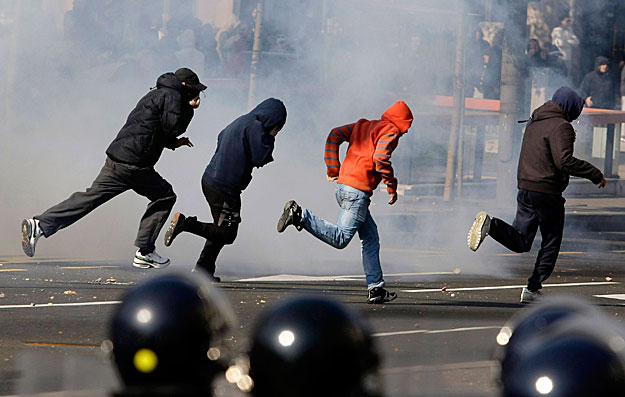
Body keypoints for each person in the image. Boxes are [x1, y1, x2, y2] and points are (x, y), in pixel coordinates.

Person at [21, 68, 207, 269]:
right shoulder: (173, 96)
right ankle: (145, 251)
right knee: (165, 196)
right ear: (185, 86)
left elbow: (153, 128)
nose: (196, 95)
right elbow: (172, 126)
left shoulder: (157, 93)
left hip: (118, 157)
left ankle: (39, 225)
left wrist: (173, 143)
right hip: (135, 163)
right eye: (195, 91)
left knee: (89, 199)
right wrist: (191, 108)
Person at [467, 87, 606, 303]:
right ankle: (532, 289)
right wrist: (595, 174)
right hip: (547, 190)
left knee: (522, 241)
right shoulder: (562, 126)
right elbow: (564, 161)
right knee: (551, 241)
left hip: (526, 187)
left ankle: (491, 225)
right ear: (569, 107)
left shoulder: (535, 121)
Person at [276, 101, 413, 304]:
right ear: (403, 123)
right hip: (357, 192)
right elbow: (381, 157)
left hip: (343, 187)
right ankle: (301, 215)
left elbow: (334, 135)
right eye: (405, 128)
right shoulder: (390, 130)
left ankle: (376, 288)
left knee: (370, 238)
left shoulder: (363, 125)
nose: (403, 133)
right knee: (341, 239)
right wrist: (391, 186)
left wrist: (333, 168)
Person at [163, 98, 287, 281]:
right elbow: (261, 157)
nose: (277, 131)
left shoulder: (240, 121)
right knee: (228, 234)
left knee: (219, 227)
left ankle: (203, 270)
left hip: (210, 180)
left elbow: (220, 137)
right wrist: (270, 137)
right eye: (278, 127)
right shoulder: (256, 127)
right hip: (226, 187)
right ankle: (186, 223)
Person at [551, 12, 579, 76]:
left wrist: (567, 41)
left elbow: (576, 42)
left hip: (568, 57)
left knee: (567, 75)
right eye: (567, 21)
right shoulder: (557, 30)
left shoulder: (569, 30)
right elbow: (561, 43)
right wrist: (569, 42)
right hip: (559, 58)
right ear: (562, 21)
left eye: (569, 21)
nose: (568, 23)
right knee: (559, 74)